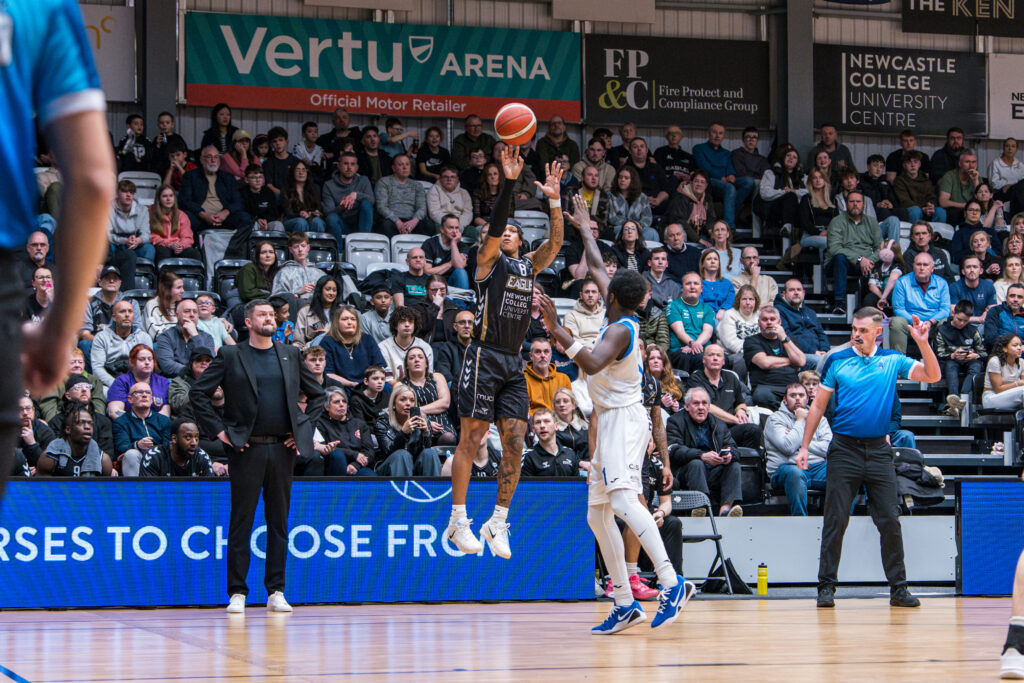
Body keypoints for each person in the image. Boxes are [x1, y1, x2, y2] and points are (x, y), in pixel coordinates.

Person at [539, 230, 690, 632]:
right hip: (608, 419)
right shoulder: (617, 306)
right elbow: (597, 266)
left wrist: (556, 328)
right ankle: (624, 603)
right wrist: (585, 230)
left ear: (610, 297)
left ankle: (672, 583)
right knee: (597, 514)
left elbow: (589, 364)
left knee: (624, 502)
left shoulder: (621, 329)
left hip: (625, 418)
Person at [446, 147, 565, 559]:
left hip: (513, 362)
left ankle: (497, 521)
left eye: (514, 230)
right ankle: (458, 520)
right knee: (473, 437)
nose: (507, 232)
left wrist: (554, 198)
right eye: (503, 231)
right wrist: (510, 182)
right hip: (483, 355)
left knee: (515, 441)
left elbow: (556, 241)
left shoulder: (528, 267)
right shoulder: (487, 263)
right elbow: (495, 225)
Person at [798, 306, 939, 609]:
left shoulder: (891, 360)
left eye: (862, 330)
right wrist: (805, 447)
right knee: (835, 519)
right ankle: (826, 588)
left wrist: (923, 342)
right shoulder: (836, 360)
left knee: (889, 519)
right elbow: (818, 407)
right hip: (844, 449)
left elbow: (933, 375)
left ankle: (899, 589)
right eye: (853, 329)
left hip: (878, 451)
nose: (855, 334)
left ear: (878, 332)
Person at [191, 299, 326, 614]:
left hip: (282, 448)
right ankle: (237, 592)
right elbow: (199, 393)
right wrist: (221, 433)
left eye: (271, 314)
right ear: (248, 322)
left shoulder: (290, 354)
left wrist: (302, 431)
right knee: (242, 521)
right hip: (245, 448)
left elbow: (318, 395)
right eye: (262, 314)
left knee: (278, 522)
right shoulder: (230, 354)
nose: (270, 318)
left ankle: (276, 590)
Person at [667, 387, 744, 515]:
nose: (701, 407)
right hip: (686, 472)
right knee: (696, 463)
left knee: (734, 465)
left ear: (709, 407)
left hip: (713, 470)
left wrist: (729, 455)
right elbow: (674, 450)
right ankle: (701, 507)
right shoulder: (675, 421)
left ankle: (726, 511)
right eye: (696, 403)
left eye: (704, 403)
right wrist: (701, 455)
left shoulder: (719, 424)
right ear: (686, 406)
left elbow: (734, 449)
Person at [764, 383, 830, 516]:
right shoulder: (775, 419)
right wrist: (800, 420)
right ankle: (800, 522)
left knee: (846, 471)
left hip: (816, 468)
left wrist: (802, 443)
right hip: (785, 468)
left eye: (801, 395)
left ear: (807, 399)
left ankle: (839, 522)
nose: (798, 399)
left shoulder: (820, 420)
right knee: (795, 473)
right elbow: (788, 447)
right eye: (793, 396)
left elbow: (828, 449)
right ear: (785, 399)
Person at [178, 146, 252, 259]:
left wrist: (225, 213)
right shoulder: (190, 176)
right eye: (209, 157)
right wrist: (204, 214)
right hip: (200, 218)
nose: (213, 160)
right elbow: (185, 201)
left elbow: (237, 201)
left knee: (245, 218)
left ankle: (233, 250)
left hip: (224, 217)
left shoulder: (228, 178)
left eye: (216, 157)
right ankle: (197, 253)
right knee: (186, 217)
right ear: (202, 159)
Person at [686, 344, 760, 449]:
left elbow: (740, 402)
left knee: (753, 430)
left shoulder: (731, 378)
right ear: (704, 360)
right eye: (711, 355)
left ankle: (746, 461)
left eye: (719, 355)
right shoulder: (696, 379)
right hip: (708, 431)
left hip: (730, 430)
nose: (715, 358)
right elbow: (707, 407)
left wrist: (741, 411)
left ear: (723, 361)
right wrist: (735, 419)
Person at [826, 191, 882, 315]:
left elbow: (880, 248)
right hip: (840, 263)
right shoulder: (837, 222)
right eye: (851, 201)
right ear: (846, 204)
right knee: (839, 257)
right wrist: (859, 259)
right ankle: (839, 303)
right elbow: (835, 248)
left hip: (866, 263)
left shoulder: (872, 222)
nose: (855, 204)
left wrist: (869, 260)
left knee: (881, 262)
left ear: (864, 205)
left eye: (858, 201)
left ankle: (866, 306)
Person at [693, 123, 756, 229]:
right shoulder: (699, 148)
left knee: (748, 181)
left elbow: (730, 168)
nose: (717, 136)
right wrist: (722, 178)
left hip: (724, 182)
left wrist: (731, 175)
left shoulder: (727, 153)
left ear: (723, 136)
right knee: (730, 187)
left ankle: (728, 213)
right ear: (708, 134)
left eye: (720, 133)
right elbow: (704, 168)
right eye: (714, 132)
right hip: (709, 182)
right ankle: (729, 227)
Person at [373, 383, 443, 475]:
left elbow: (425, 456)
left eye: (412, 400)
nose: (408, 403)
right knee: (402, 454)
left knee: (430, 453)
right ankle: (402, 489)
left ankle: (432, 488)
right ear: (393, 404)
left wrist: (426, 433)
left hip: (414, 466)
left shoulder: (422, 421)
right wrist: (403, 433)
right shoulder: (382, 423)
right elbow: (387, 453)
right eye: (403, 400)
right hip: (390, 468)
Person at [889, 251, 951, 355]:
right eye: (918, 264)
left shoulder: (942, 283)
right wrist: (916, 322)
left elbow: (945, 310)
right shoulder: (902, 282)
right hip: (911, 324)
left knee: (944, 321)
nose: (922, 268)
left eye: (925, 265)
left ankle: (942, 362)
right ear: (913, 266)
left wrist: (930, 322)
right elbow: (898, 309)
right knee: (896, 322)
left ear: (932, 268)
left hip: (932, 325)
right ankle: (898, 363)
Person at [744, 306, 806, 407]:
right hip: (765, 387)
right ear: (759, 323)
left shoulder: (790, 340)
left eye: (772, 319)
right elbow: (765, 363)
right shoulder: (751, 341)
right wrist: (791, 361)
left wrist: (784, 339)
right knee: (762, 395)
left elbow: (801, 362)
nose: (769, 322)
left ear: (779, 322)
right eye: (765, 319)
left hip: (791, 387)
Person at [935, 300, 986, 417]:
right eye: (959, 319)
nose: (962, 323)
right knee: (950, 366)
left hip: (970, 361)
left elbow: (983, 352)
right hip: (950, 361)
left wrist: (975, 355)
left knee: (977, 365)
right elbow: (938, 353)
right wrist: (952, 355)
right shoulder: (942, 330)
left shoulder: (973, 330)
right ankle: (954, 400)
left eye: (966, 321)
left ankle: (963, 398)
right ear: (953, 314)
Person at [112, 381, 172, 476]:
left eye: (148, 392)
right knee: (131, 454)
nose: (144, 395)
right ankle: (135, 489)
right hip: (137, 460)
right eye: (139, 392)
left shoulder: (164, 420)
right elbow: (121, 448)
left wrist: (152, 451)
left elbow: (168, 446)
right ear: (130, 399)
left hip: (161, 461)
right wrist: (137, 445)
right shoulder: (120, 422)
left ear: (152, 399)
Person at [36, 403, 113, 477]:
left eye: (90, 423)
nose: (87, 427)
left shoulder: (103, 460)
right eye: (81, 423)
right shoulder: (50, 456)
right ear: (68, 429)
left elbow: (104, 490)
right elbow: (42, 488)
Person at [321, 305, 387, 389]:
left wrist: (369, 384)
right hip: (341, 386)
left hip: (367, 386)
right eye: (344, 319)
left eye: (353, 319)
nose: (349, 322)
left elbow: (379, 367)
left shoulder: (367, 339)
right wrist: (351, 384)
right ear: (336, 322)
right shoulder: (327, 342)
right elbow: (328, 374)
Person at [107, 179, 156, 291]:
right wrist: (124, 241)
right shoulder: (108, 209)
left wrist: (138, 240)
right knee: (107, 246)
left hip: (135, 244)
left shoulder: (142, 210)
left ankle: (143, 278)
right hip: (117, 244)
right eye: (124, 191)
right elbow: (107, 235)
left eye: (131, 192)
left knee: (149, 248)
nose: (128, 195)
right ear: (117, 193)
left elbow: (146, 234)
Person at [314, 387, 375, 476]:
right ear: (327, 407)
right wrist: (354, 455)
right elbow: (326, 448)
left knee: (369, 475)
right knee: (337, 455)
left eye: (344, 401)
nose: (342, 404)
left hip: (358, 466)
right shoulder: (320, 423)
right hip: (333, 466)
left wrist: (356, 465)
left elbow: (369, 451)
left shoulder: (359, 424)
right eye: (336, 402)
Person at [666, 272, 716, 372]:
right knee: (690, 357)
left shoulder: (708, 309)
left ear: (701, 288)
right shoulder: (673, 306)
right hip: (680, 350)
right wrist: (691, 343)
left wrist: (695, 345)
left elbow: (708, 332)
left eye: (696, 284)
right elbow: (680, 332)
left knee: (721, 359)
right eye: (688, 283)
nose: (692, 287)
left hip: (701, 349)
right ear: (682, 288)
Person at [154, 298, 216, 378]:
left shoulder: (207, 337)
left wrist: (194, 335)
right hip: (175, 381)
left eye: (195, 312)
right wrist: (194, 371)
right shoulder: (166, 337)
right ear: (177, 315)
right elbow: (167, 366)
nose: (192, 315)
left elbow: (208, 363)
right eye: (187, 311)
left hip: (202, 380)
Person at [106, 344, 170, 419]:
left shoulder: (163, 382)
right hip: (129, 426)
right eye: (142, 359)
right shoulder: (121, 382)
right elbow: (114, 411)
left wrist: (150, 423)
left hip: (156, 426)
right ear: (132, 362)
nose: (147, 362)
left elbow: (166, 412)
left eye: (150, 359)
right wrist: (139, 423)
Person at [140, 418, 220, 477]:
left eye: (196, 438)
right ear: (174, 438)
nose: (194, 443)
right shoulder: (154, 457)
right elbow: (147, 494)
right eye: (188, 438)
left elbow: (209, 494)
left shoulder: (202, 457)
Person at [776, 279, 830, 363]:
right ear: (783, 294)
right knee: (820, 361)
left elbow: (821, 333)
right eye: (791, 290)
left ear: (803, 293)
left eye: (799, 289)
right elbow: (787, 335)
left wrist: (825, 350)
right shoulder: (778, 311)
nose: (796, 292)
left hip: (818, 354)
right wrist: (813, 352)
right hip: (797, 355)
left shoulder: (810, 312)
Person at [758, 145, 806, 234]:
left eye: (794, 157)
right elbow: (765, 193)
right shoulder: (771, 173)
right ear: (783, 157)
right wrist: (784, 192)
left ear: (797, 162)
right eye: (788, 155)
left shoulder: (801, 176)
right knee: (790, 196)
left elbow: (809, 191)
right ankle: (787, 228)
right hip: (773, 209)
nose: (791, 158)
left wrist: (794, 191)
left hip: (796, 210)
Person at [149, 185, 202, 265]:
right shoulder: (150, 213)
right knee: (164, 252)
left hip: (178, 245)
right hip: (161, 245)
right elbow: (151, 236)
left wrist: (181, 245)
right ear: (159, 199)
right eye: (164, 196)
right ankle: (164, 277)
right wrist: (169, 244)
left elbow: (187, 236)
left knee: (194, 253)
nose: (168, 199)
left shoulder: (181, 214)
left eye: (171, 196)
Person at [271, 232, 327, 307]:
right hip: (293, 311)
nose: (300, 249)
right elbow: (277, 298)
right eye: (296, 247)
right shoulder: (283, 273)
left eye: (303, 246)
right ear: (290, 250)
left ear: (308, 248)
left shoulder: (319, 273)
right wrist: (298, 291)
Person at [893, 150, 947, 224]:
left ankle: (937, 234)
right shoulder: (899, 181)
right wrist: (922, 208)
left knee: (940, 212)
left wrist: (931, 205)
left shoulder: (925, 180)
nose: (913, 165)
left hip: (925, 209)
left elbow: (932, 197)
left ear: (919, 164)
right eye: (909, 162)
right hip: (911, 209)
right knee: (915, 210)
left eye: (915, 162)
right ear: (904, 165)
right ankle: (915, 233)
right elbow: (904, 201)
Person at [717, 285, 761, 376]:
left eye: (751, 299)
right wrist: (752, 352)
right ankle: (740, 388)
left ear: (756, 302)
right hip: (732, 354)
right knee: (743, 359)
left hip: (755, 352)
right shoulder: (729, 315)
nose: (748, 302)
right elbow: (731, 343)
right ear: (738, 301)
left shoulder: (759, 316)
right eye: (744, 299)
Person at [664, 170, 716, 244]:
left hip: (697, 232)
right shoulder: (680, 197)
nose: (699, 184)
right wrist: (698, 240)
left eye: (702, 182)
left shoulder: (707, 198)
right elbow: (680, 222)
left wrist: (711, 232)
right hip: (679, 234)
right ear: (691, 183)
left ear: (706, 185)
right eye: (696, 181)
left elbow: (711, 218)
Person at [938, 147, 980, 226]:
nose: (971, 166)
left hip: (973, 212)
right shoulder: (949, 176)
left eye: (973, 162)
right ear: (960, 163)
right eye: (967, 162)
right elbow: (943, 202)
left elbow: (982, 200)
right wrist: (964, 206)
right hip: (954, 213)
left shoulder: (977, 177)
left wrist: (975, 181)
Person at [280, 160, 325, 233]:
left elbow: (318, 207)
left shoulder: (315, 188)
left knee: (317, 221)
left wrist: (316, 212)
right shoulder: (286, 190)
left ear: (307, 173)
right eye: (298, 170)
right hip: (292, 220)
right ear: (293, 173)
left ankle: (318, 244)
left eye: (304, 170)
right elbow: (288, 213)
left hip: (311, 218)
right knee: (301, 222)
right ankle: (297, 243)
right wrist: (299, 214)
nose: (301, 173)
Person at [294, 275, 340, 347]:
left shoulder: (342, 312)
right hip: (312, 352)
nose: (331, 293)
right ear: (320, 290)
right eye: (328, 289)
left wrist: (328, 333)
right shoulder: (305, 312)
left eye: (334, 290)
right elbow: (298, 342)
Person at [607, 166, 653, 237]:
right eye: (620, 177)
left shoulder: (642, 197)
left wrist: (640, 224)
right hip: (619, 227)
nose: (622, 180)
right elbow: (612, 217)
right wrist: (629, 224)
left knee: (652, 233)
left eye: (626, 178)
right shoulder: (610, 195)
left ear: (633, 180)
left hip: (638, 228)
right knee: (622, 231)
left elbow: (647, 218)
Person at [950, 256, 997, 324]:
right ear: (963, 271)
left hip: (983, 324)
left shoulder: (989, 286)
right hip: (962, 325)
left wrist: (986, 313)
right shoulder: (954, 287)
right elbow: (954, 316)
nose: (972, 270)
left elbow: (993, 310)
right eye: (968, 267)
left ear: (981, 271)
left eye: (975, 267)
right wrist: (979, 319)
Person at [982, 334, 1024, 411]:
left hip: (1012, 397)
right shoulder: (995, 361)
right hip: (992, 398)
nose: (1019, 348)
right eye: (1015, 345)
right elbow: (998, 389)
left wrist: (1020, 384)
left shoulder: (1021, 362)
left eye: (1020, 345)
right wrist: (1017, 384)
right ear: (1004, 348)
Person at [563, 279, 606, 348]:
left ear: (599, 295)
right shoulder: (571, 315)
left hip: (604, 351)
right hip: (582, 354)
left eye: (594, 292)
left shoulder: (606, 314)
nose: (590, 295)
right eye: (587, 292)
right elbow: (573, 341)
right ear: (581, 295)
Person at [698, 249, 734, 319]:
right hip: (704, 317)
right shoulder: (697, 283)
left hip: (724, 316)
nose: (712, 261)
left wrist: (723, 310)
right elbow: (699, 304)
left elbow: (730, 301)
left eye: (715, 259)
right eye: (709, 259)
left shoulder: (727, 284)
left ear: (719, 265)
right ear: (702, 264)